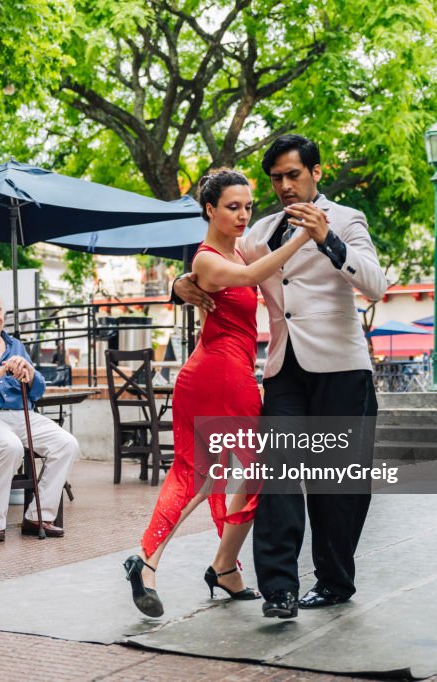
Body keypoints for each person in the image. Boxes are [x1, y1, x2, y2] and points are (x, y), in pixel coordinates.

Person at [174, 135, 388, 619]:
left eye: (293, 175)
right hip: (284, 369)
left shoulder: (348, 221)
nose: (285, 186)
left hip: (343, 368)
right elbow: (218, 262)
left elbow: (376, 285)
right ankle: (280, 589)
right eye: (277, 179)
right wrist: (179, 283)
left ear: (316, 172)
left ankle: (334, 581)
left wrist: (327, 240)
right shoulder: (259, 232)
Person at [123, 169, 317, 618]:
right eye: (233, 207)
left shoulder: (227, 251)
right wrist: (303, 238)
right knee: (236, 474)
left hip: (212, 373)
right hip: (223, 377)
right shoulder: (211, 258)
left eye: (248, 206)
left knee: (200, 474)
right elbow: (249, 275)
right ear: (209, 209)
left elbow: (240, 270)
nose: (243, 215)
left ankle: (183, 565)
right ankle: (173, 561)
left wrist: (176, 286)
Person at [0, 291, 80, 543]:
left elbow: (38, 390)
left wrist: (29, 372)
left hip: (21, 415)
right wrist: (0, 371)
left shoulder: (16, 346)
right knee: (9, 447)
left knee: (67, 444)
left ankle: (36, 517)